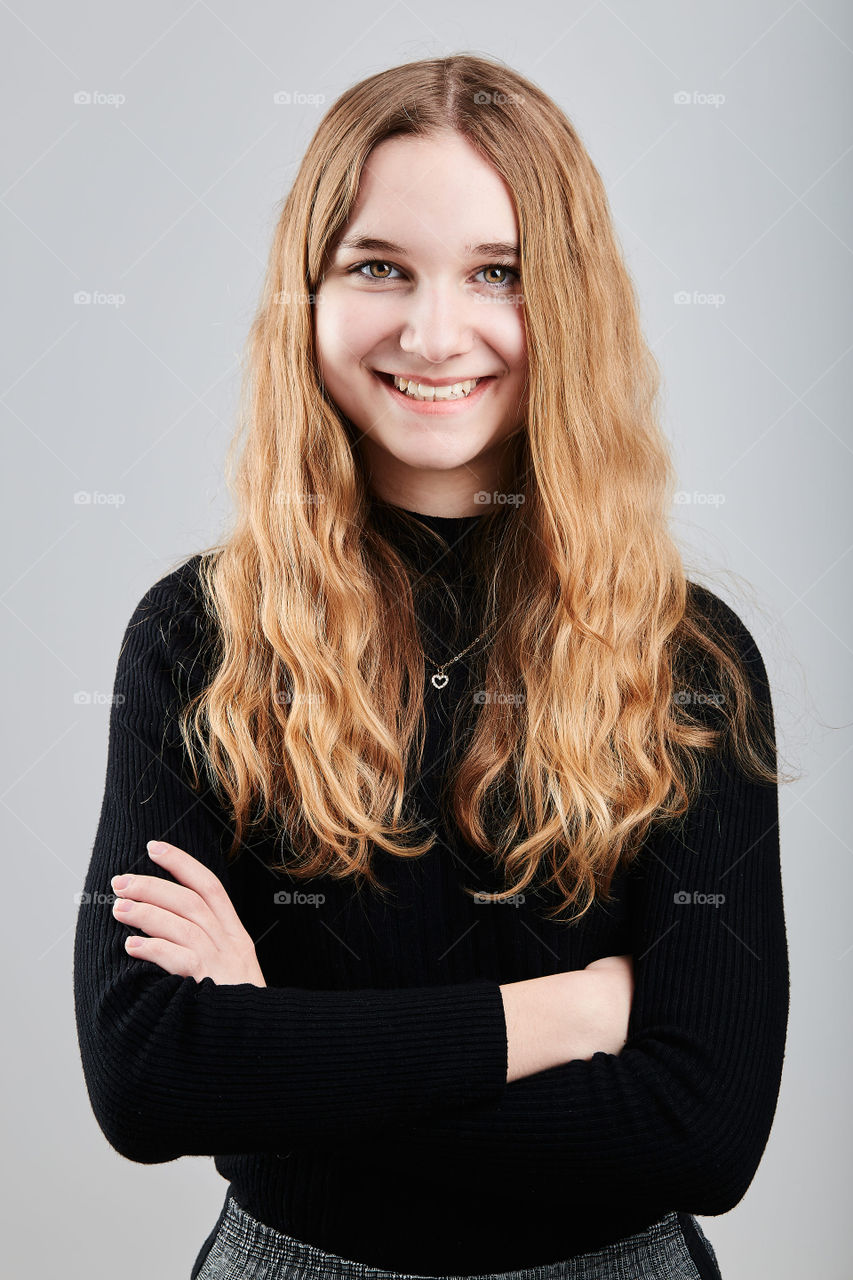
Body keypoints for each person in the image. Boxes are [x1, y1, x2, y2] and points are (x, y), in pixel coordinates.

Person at [72, 53, 791, 1280]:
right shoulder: (199, 634)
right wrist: (561, 1015)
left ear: (562, 298)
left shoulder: (688, 659)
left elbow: (704, 1131)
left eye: (496, 273)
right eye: (378, 266)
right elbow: (150, 1078)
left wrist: (279, 1053)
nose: (433, 329)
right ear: (310, 292)